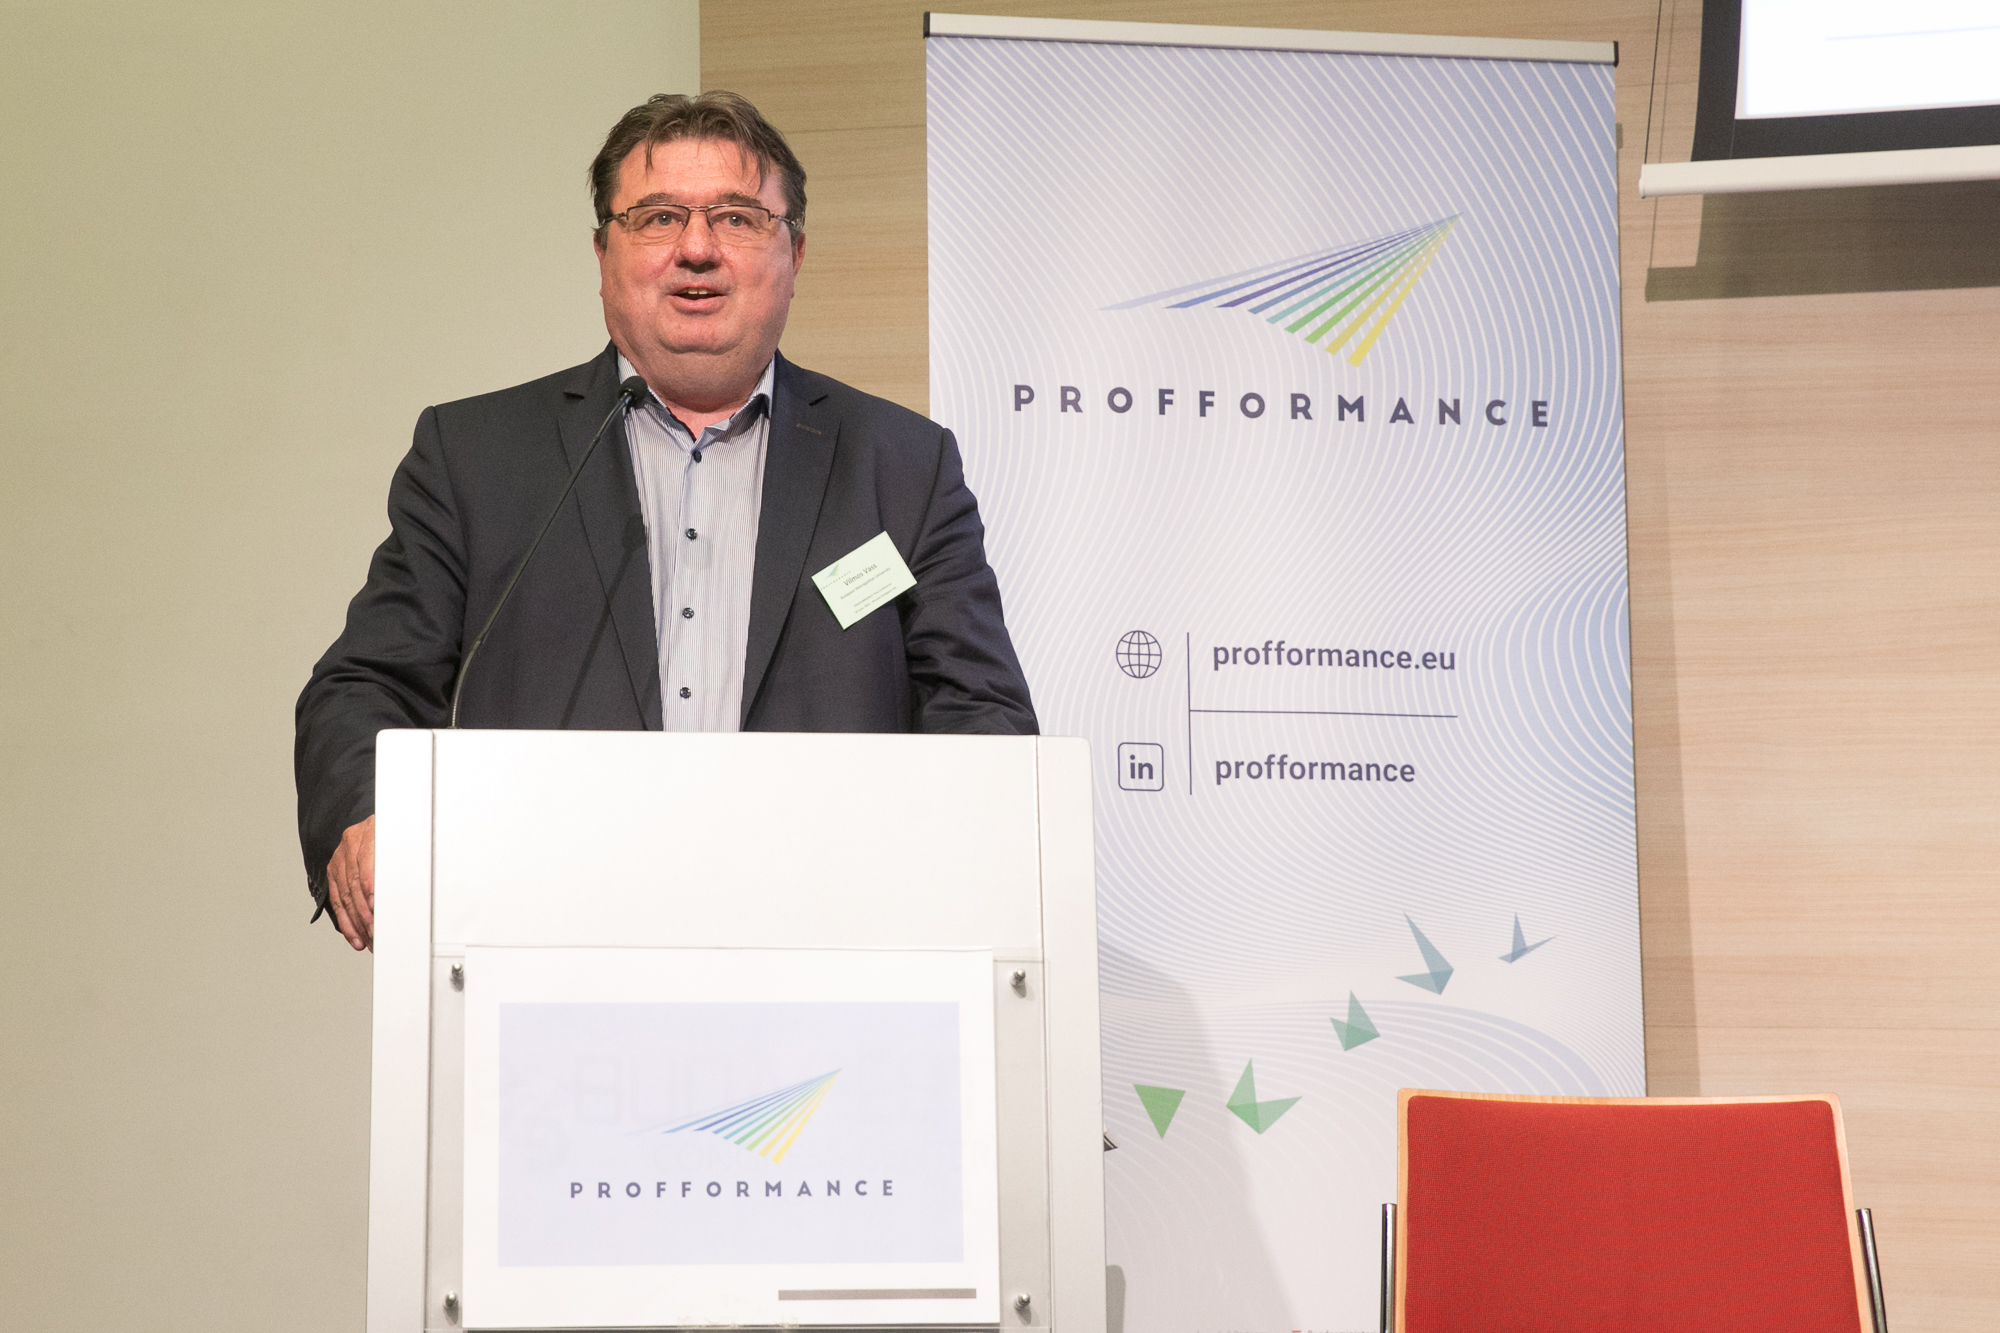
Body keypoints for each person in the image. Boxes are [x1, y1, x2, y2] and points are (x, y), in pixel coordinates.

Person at [295, 91, 1037, 951]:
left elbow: (981, 711)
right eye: (657, 217)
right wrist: (367, 813)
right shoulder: (478, 457)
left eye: (738, 217)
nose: (697, 249)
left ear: (795, 252)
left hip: (831, 949)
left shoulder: (901, 466)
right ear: (602, 253)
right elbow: (365, 684)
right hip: (544, 947)